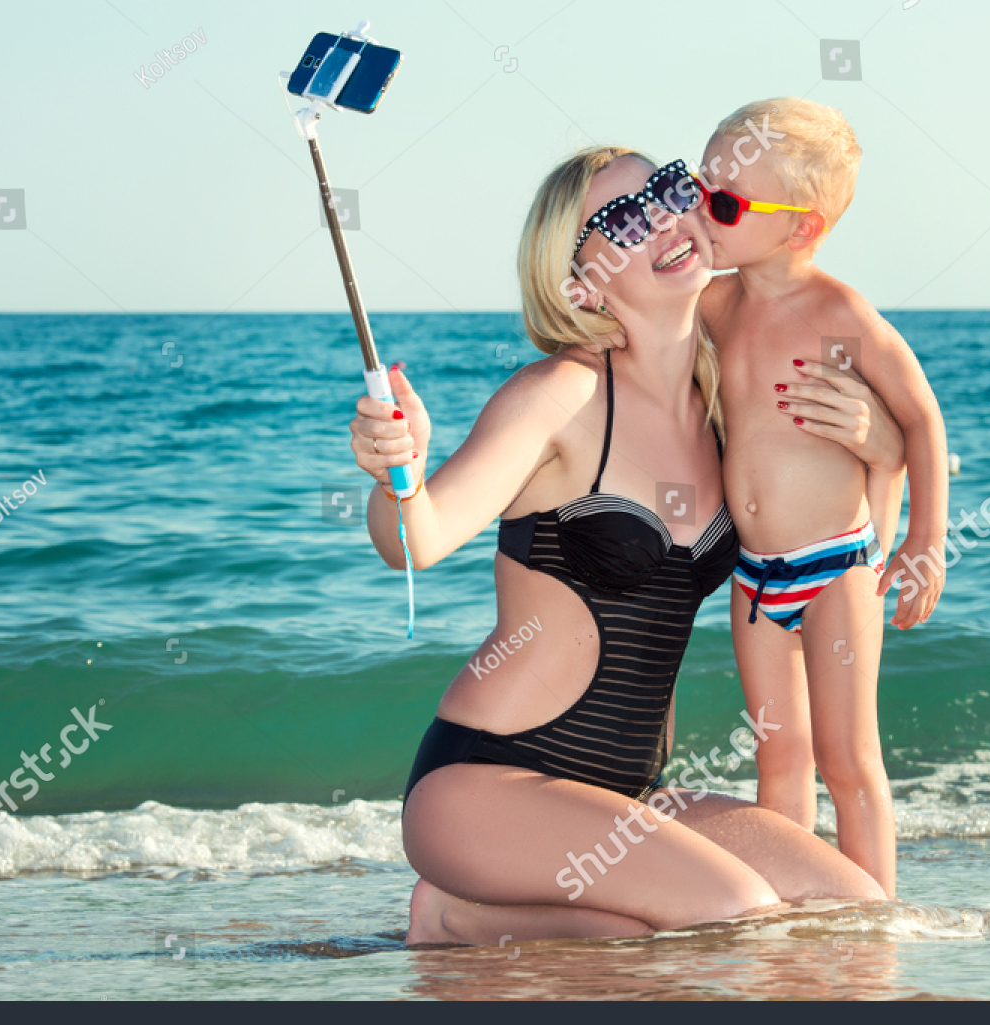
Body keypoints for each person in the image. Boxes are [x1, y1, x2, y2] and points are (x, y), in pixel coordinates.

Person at [350, 146, 906, 945]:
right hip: (488, 783)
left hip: (630, 797)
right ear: (579, 283)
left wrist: (885, 446)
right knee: (734, 920)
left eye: (667, 189)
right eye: (620, 218)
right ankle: (452, 912)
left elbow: (821, 519)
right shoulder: (563, 396)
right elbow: (418, 538)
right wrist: (395, 470)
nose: (660, 217)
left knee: (847, 912)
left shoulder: (727, 401)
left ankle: (522, 922)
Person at [698, 98, 950, 896]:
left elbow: (921, 419)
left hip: (837, 566)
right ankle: (791, 907)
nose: (704, 209)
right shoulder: (714, 304)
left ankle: (874, 911)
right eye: (696, 187)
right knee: (781, 755)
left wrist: (922, 542)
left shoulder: (838, 312)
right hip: (753, 576)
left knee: (848, 757)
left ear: (800, 226)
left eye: (725, 203)